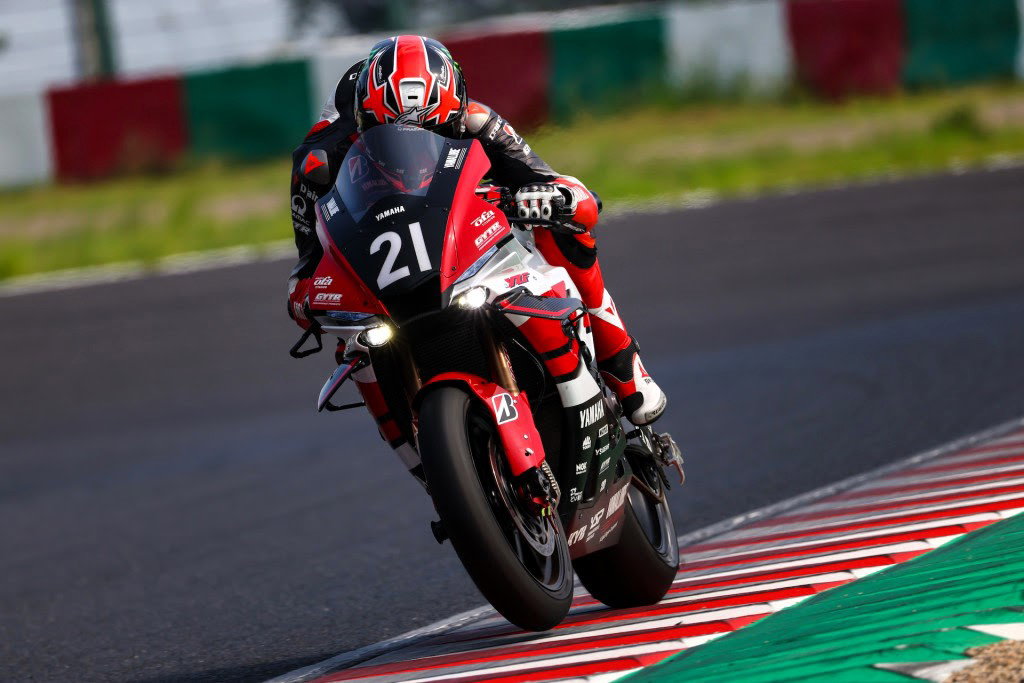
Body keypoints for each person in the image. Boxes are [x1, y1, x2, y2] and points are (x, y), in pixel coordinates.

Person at [287, 35, 666, 427]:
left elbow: (573, 195)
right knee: (353, 342)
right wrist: (310, 299)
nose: (414, 154)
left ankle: (622, 361)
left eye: (433, 136)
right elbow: (305, 271)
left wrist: (554, 200)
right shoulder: (320, 160)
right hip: (387, 263)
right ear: (366, 123)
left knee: (566, 227)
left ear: (454, 115)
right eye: (397, 139)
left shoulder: (476, 120)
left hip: (466, 238)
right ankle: (411, 447)